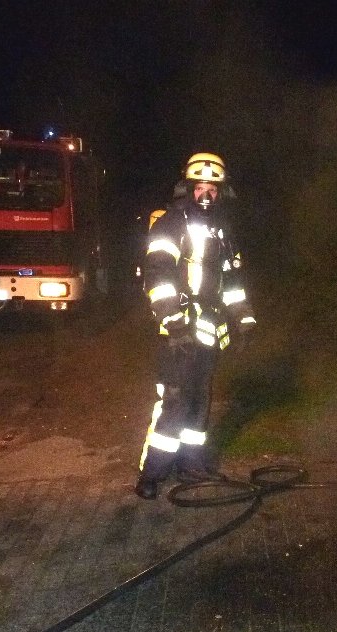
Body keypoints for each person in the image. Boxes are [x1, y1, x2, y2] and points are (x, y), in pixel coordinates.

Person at [134, 152, 256, 500]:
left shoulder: (222, 229)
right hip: (178, 331)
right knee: (174, 401)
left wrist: (244, 320)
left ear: (221, 192)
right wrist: (174, 322)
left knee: (200, 400)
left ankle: (190, 465)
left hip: (208, 330)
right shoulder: (170, 224)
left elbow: (233, 281)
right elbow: (158, 275)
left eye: (212, 189)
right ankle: (152, 474)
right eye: (200, 187)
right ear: (188, 188)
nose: (206, 194)